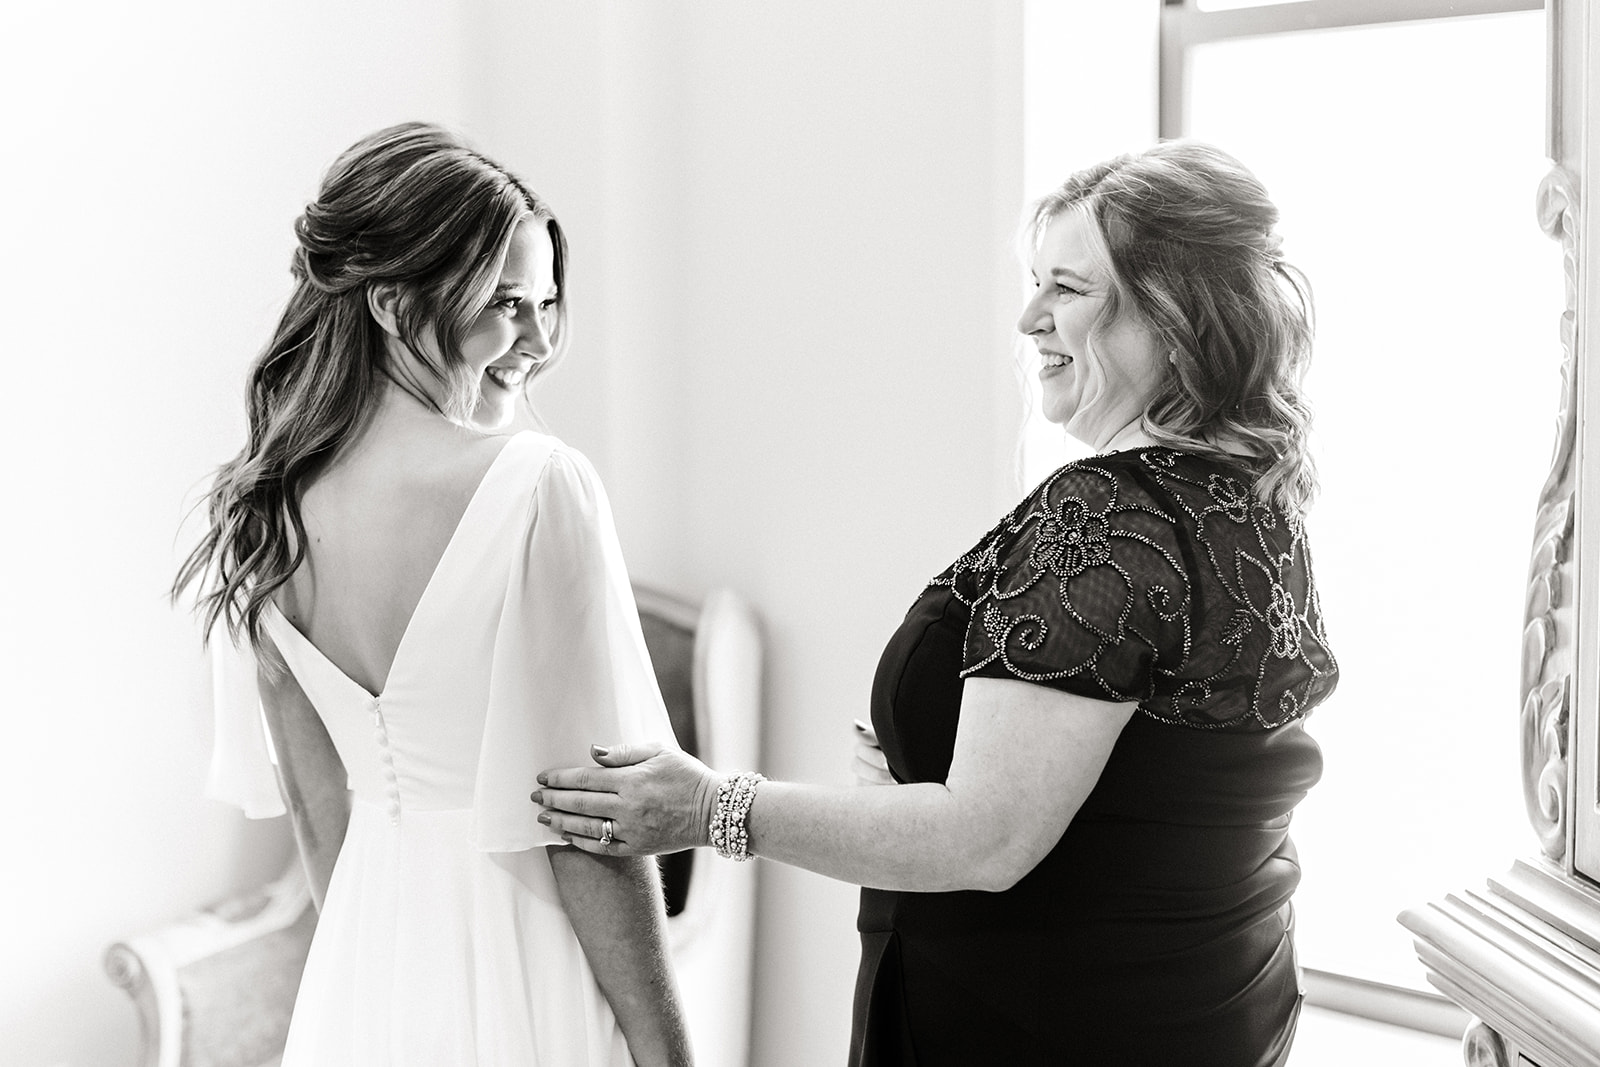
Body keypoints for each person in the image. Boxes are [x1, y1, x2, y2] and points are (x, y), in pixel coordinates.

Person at [532, 140, 1339, 1066]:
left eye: (1067, 289)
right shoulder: (1255, 501)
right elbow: (1159, 785)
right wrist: (929, 770)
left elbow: (988, 838)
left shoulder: (1109, 514)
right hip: (1207, 1009)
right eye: (1035, 282)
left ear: (1171, 315)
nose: (1030, 315)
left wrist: (710, 805)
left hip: (1044, 1023)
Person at [174, 122, 692, 1067]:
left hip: (365, 966)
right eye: (503, 304)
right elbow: (593, 821)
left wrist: (374, 971)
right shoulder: (539, 485)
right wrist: (668, 1052)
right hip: (522, 946)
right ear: (387, 301)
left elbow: (315, 807)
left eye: (546, 303)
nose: (538, 341)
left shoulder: (260, 509)